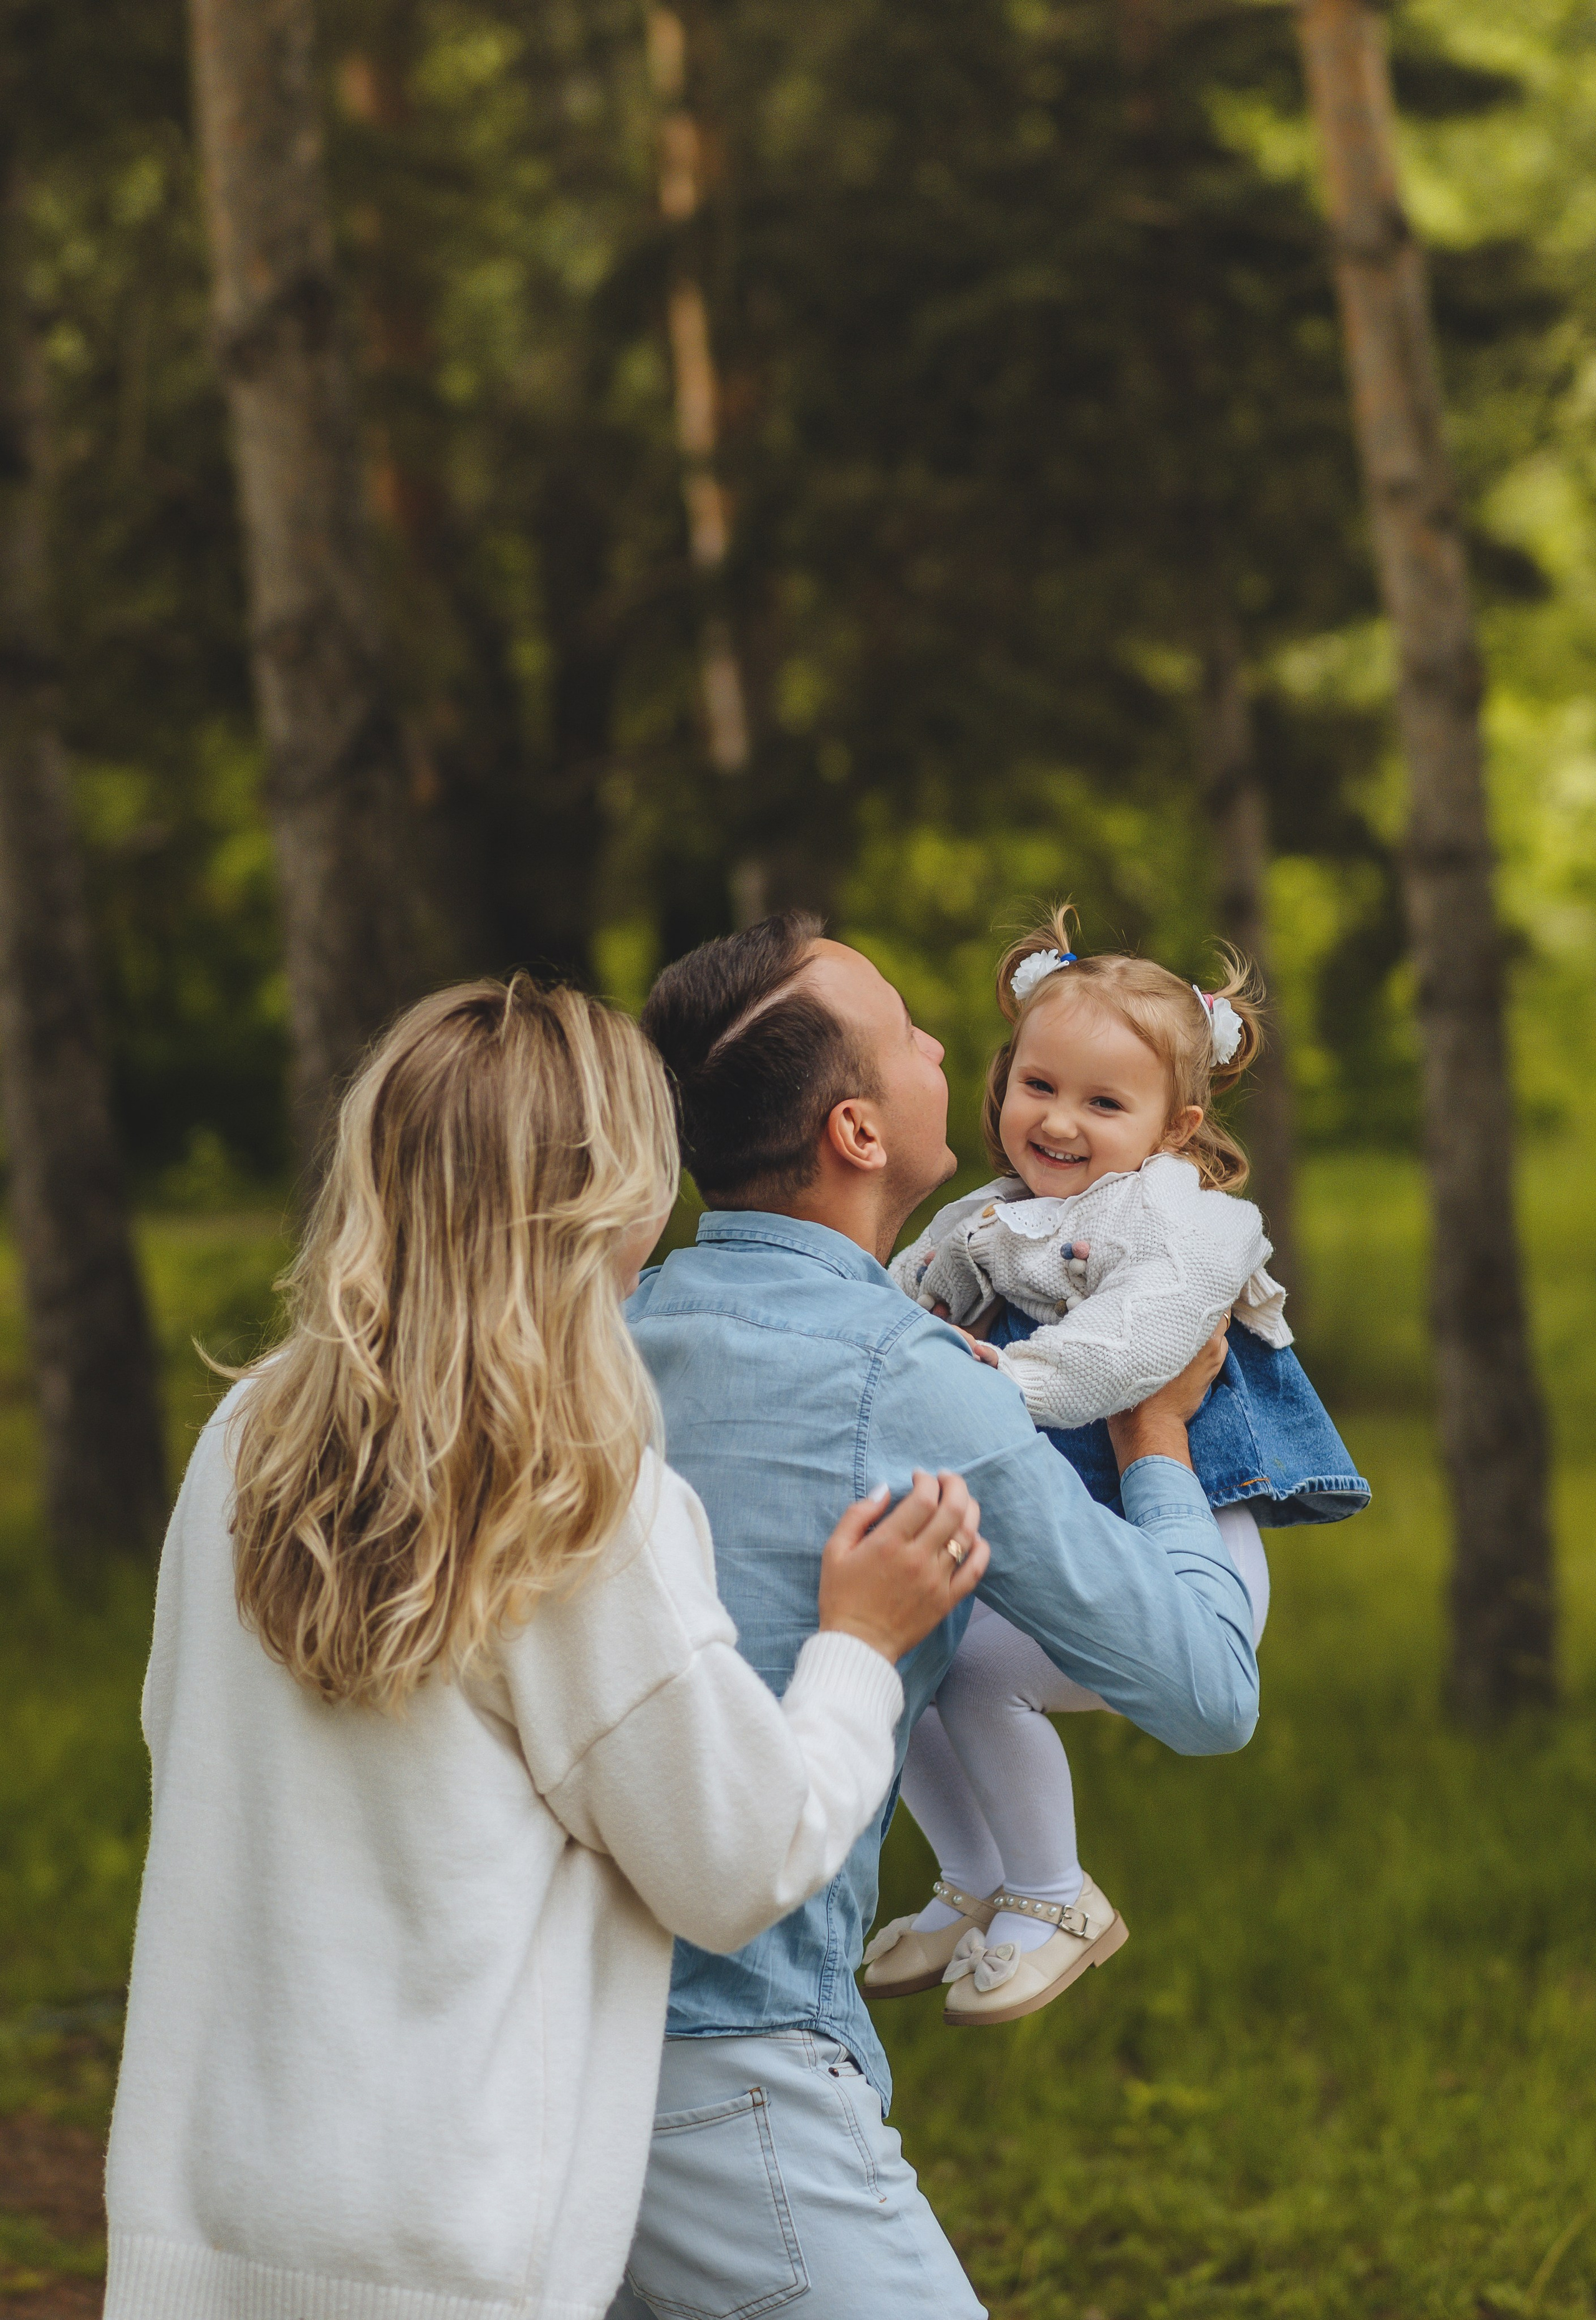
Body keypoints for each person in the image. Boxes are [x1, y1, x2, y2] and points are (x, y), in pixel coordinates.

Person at [102, 976, 991, 2320]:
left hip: (204, 2226)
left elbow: (183, 1735)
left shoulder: (251, 1435)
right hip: (445, 2248)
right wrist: (858, 1646)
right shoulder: (571, 1479)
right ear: (611, 1199)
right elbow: (739, 1856)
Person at [612, 912, 1261, 2320]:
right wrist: (1158, 1442)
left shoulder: (613, 1331)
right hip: (744, 2074)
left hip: (557, 2050)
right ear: (856, 1131)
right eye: (909, 1032)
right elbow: (1208, 1691)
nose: (945, 1047)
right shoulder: (915, 1380)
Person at [875, 908, 1367, 2026]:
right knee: (908, 1654)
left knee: (976, 1675)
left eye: (1105, 1103)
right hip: (1087, 1531)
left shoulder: (1187, 1216)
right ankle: (981, 1878)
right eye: (1039, 1085)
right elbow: (911, 1298)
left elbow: (1130, 1352)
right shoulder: (990, 1214)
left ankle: (1055, 1897)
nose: (1059, 1120)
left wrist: (992, 1387)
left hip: (1189, 1548)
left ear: (1173, 1125)